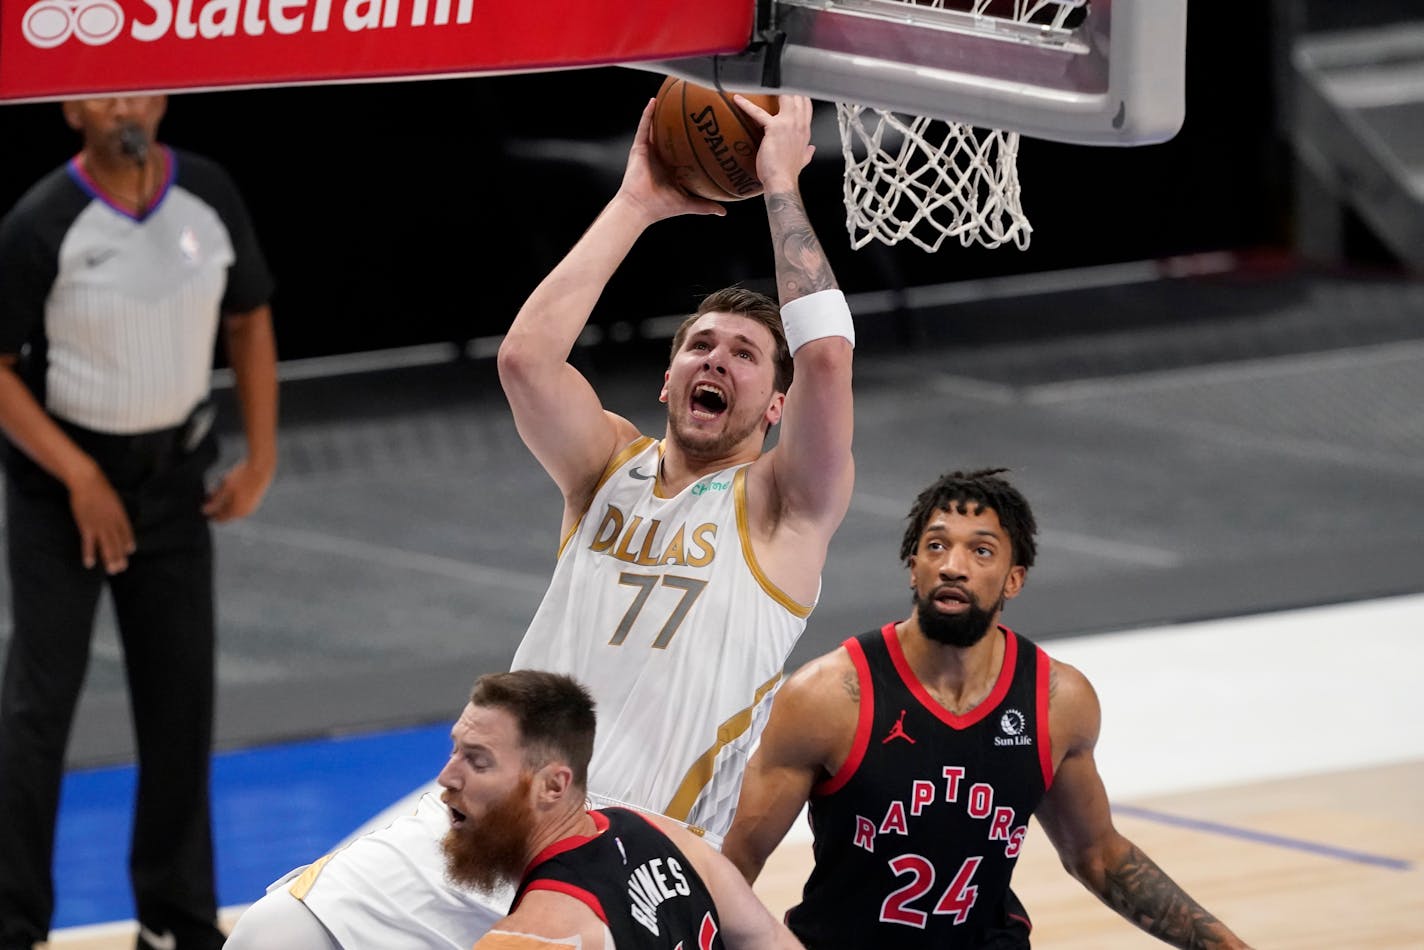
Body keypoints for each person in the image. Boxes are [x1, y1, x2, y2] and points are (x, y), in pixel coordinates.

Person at [225, 91, 853, 950]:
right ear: (668, 382)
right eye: (699, 346)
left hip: (622, 851)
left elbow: (825, 354)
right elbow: (525, 360)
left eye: (744, 355)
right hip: (490, 812)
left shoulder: (786, 511)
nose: (716, 360)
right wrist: (638, 201)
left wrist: (780, 180)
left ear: (775, 404)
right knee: (269, 934)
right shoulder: (607, 469)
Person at [721, 469, 1253, 949]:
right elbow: (735, 861)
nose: (953, 566)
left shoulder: (1056, 701)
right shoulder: (829, 696)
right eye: (936, 546)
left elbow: (1098, 855)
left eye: (980, 551)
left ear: (1013, 579)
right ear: (913, 568)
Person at [0, 95, 278, 950]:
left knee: (179, 703)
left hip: (173, 484)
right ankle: (13, 925)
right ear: (68, 109)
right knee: (36, 709)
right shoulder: (41, 221)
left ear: (162, 98)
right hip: (62, 490)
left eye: (137, 86)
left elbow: (248, 316)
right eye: (102, 90)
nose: (123, 104)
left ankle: (176, 919)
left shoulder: (208, 192)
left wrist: (261, 455)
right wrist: (79, 476)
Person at [452, 670, 801, 949]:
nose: (446, 777)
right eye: (454, 751)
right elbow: (766, 938)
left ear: (553, 785)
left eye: (477, 762)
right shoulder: (660, 833)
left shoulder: (535, 935)